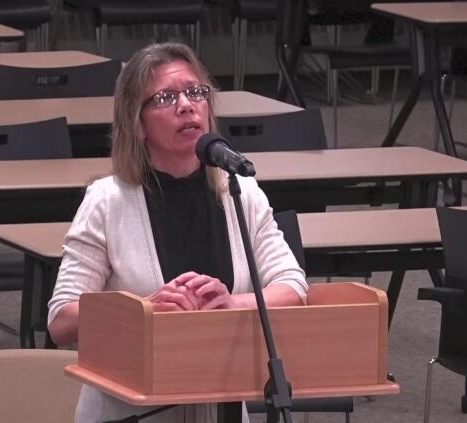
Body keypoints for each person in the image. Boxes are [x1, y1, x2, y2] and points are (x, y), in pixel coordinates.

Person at [47, 42, 308, 423]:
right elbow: (61, 320)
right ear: (137, 124)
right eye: (166, 97)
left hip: (223, 406)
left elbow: (293, 287)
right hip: (130, 410)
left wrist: (230, 306)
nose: (186, 105)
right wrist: (144, 309)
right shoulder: (108, 201)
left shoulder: (239, 190)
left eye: (195, 92)